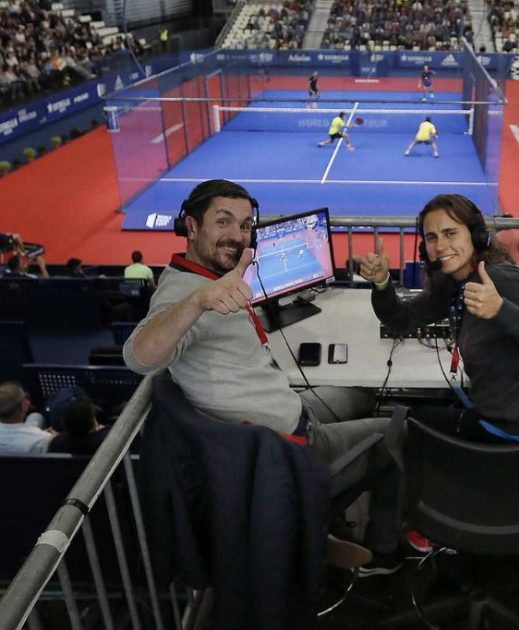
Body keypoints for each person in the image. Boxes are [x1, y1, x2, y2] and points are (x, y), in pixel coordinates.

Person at [122, 179, 401, 574]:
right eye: (223, 222)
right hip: (284, 446)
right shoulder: (186, 293)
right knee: (399, 431)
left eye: (245, 225)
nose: (237, 236)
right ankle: (384, 555)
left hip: (285, 412)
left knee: (357, 393)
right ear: (190, 226)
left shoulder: (209, 276)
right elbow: (138, 357)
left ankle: (315, 522)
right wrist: (198, 301)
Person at [358, 193, 519, 443]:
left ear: (477, 235)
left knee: (403, 427)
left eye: (450, 233)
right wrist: (381, 282)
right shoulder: (452, 284)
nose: (440, 246)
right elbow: (402, 319)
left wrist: (501, 309)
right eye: (432, 238)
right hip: (491, 415)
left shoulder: (502, 279)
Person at [0, 381, 54, 454]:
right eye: (25, 397)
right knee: (36, 416)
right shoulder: (44, 439)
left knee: (35, 416)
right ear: (22, 406)